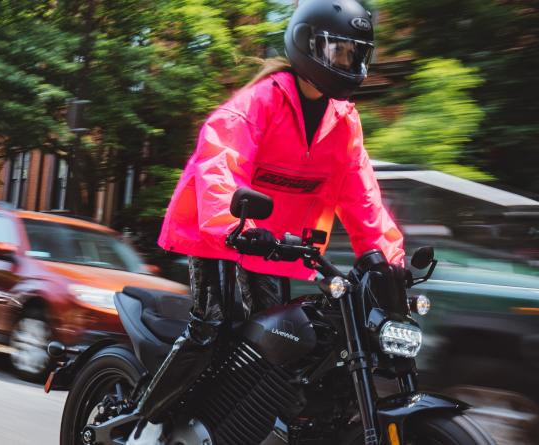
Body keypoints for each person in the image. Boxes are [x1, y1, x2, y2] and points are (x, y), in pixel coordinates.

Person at [133, 0, 405, 440]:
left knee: (281, 343)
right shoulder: (260, 100)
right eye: (341, 52)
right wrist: (234, 226)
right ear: (308, 45)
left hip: (278, 242)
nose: (349, 63)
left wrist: (389, 261)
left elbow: (362, 196)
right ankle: (146, 424)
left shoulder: (344, 121)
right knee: (212, 327)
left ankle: (234, 427)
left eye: (357, 54)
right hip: (221, 231)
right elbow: (220, 162)